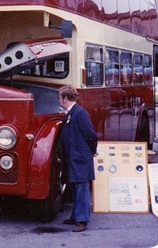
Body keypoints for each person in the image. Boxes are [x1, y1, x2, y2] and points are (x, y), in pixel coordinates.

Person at [59, 85, 98, 232]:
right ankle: (76, 216)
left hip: (80, 157)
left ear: (65, 98)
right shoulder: (71, 113)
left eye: (60, 97)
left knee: (81, 188)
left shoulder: (80, 114)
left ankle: (82, 220)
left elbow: (91, 135)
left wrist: (92, 151)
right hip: (74, 157)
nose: (59, 100)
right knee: (75, 187)